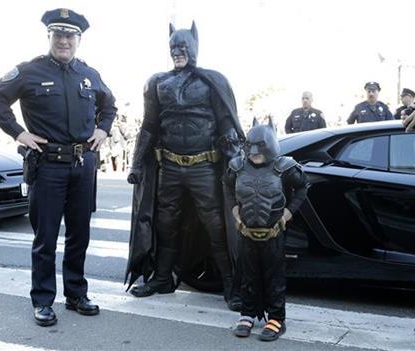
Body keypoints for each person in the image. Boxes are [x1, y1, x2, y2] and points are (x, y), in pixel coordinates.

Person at [0, 8, 117, 326]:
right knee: (45, 237)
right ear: (49, 37)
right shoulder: (28, 71)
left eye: (70, 36)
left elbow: (109, 104)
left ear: (78, 40)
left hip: (83, 165)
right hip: (48, 166)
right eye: (58, 34)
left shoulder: (89, 74)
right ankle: (43, 300)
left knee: (79, 234)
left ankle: (76, 294)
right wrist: (19, 132)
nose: (64, 41)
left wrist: (103, 129)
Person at [125, 22, 244, 310]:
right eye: (173, 47)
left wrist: (236, 159)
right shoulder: (158, 83)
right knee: (165, 223)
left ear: (194, 47)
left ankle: (232, 283)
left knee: (216, 225)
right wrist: (137, 163)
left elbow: (226, 121)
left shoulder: (212, 81)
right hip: (170, 166)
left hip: (205, 166)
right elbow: (150, 126)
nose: (178, 52)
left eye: (183, 47)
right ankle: (163, 277)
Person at [224, 118, 308, 342]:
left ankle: (276, 318)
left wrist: (288, 213)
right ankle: (248, 314)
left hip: (274, 233)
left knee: (275, 277)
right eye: (250, 147)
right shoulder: (237, 166)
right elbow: (227, 186)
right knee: (247, 275)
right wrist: (235, 211)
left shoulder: (285, 167)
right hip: (247, 232)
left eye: (259, 147)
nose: (253, 152)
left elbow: (302, 188)